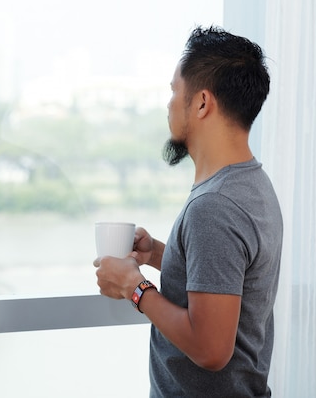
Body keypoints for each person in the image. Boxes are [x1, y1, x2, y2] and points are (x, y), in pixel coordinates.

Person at [94, 25, 283, 397]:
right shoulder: (252, 184)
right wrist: (160, 255)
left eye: (173, 92)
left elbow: (211, 349)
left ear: (201, 103)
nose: (168, 105)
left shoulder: (215, 206)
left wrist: (134, 287)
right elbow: (230, 282)